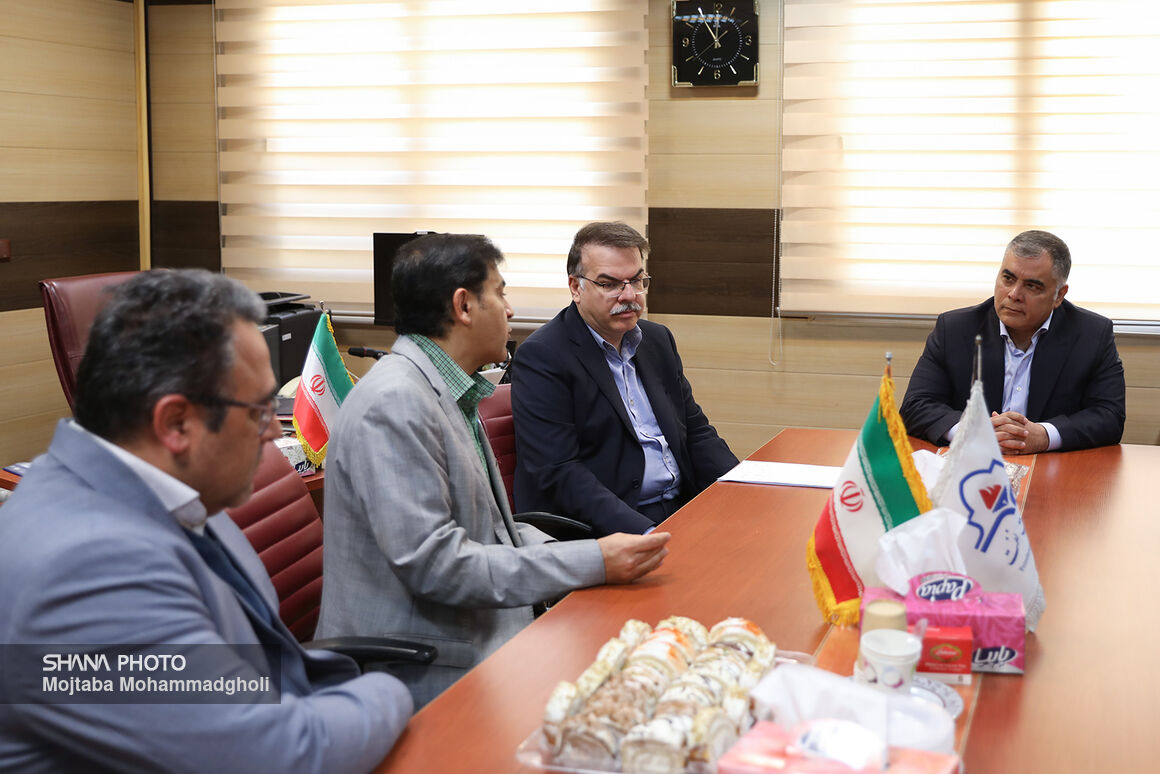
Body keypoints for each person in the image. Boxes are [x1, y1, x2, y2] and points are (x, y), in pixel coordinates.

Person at [0, 270, 412, 773]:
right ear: (176, 424)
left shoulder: (162, 488)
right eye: (260, 412)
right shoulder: (86, 570)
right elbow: (279, 756)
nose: (272, 435)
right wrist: (395, 689)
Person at [315, 233, 670, 709]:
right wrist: (593, 562)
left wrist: (590, 556)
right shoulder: (394, 404)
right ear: (464, 306)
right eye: (500, 293)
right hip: (423, 664)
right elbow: (439, 566)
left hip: (476, 627)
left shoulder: (447, 389)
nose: (510, 310)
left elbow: (493, 531)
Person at [509, 222, 738, 536]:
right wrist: (646, 533)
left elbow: (695, 433)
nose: (629, 295)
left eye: (637, 280)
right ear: (576, 287)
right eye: (610, 284)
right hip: (610, 524)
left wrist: (740, 487)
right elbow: (559, 471)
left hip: (680, 506)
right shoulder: (544, 355)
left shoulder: (656, 340)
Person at [900, 230, 1126, 453]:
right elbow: (915, 405)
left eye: (1032, 286)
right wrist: (974, 432)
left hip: (1050, 466)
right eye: (1008, 279)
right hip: (972, 464)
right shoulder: (954, 329)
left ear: (1058, 295)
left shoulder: (1092, 335)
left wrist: (1044, 436)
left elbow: (1109, 416)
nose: (1014, 294)